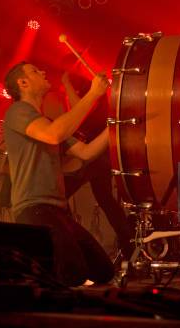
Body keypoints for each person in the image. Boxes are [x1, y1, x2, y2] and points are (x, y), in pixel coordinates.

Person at [3, 61, 114, 286]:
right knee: (73, 271)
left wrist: (116, 125)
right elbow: (54, 135)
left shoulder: (49, 123)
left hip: (57, 210)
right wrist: (92, 94)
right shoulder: (18, 111)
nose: (43, 70)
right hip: (34, 208)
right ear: (22, 83)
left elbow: (85, 152)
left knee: (103, 271)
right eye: (35, 70)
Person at [59, 71, 134, 259]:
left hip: (96, 154)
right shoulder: (85, 88)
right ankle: (129, 248)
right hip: (97, 153)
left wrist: (67, 83)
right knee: (106, 200)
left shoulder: (89, 86)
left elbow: (81, 111)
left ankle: (70, 245)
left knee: (59, 196)